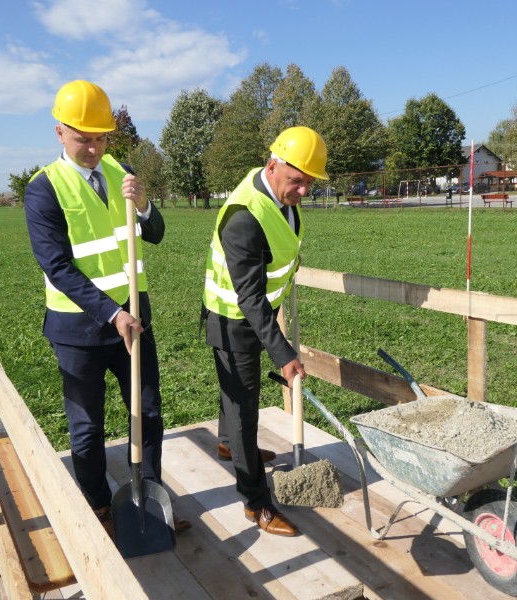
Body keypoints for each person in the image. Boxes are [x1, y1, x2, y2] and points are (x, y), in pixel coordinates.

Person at [24, 80, 189, 534]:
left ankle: (151, 500)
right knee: (87, 428)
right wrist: (112, 313)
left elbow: (154, 233)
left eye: (101, 138)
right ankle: (98, 506)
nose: (94, 148)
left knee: (149, 412)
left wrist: (144, 205)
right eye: (84, 139)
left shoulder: (123, 172)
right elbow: (57, 266)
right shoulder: (44, 190)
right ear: (60, 132)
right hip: (81, 331)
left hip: (135, 322)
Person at [201, 126, 329, 537]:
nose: (304, 191)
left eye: (310, 182)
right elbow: (249, 299)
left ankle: (227, 444)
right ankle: (255, 503)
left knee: (237, 402)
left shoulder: (282, 197)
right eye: (297, 181)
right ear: (272, 166)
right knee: (244, 409)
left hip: (256, 314)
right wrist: (285, 354)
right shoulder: (243, 217)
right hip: (231, 321)